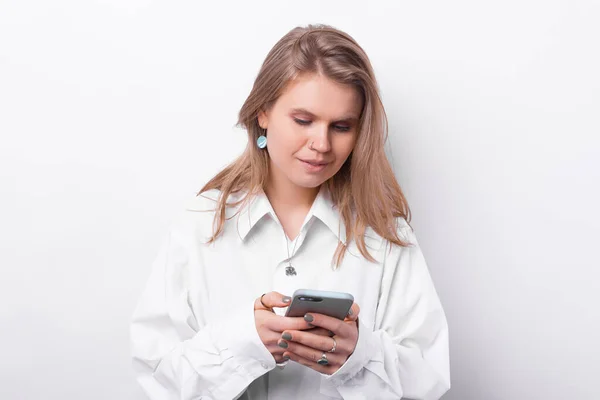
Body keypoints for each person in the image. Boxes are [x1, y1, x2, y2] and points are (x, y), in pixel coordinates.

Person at [130, 23, 450, 400]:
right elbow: (157, 382)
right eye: (303, 120)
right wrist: (244, 342)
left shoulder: (385, 234)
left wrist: (360, 354)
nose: (321, 144)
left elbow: (428, 381)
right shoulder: (201, 224)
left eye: (342, 126)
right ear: (262, 113)